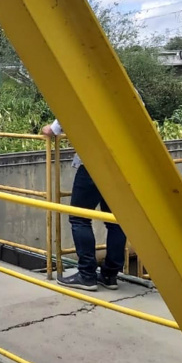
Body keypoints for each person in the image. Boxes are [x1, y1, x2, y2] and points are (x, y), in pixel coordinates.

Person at [41, 119, 126, 291]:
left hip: (93, 163)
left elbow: (52, 130)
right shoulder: (132, 93)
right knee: (115, 221)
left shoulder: (90, 92)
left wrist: (48, 129)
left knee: (79, 218)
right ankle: (110, 275)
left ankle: (87, 275)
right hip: (122, 164)